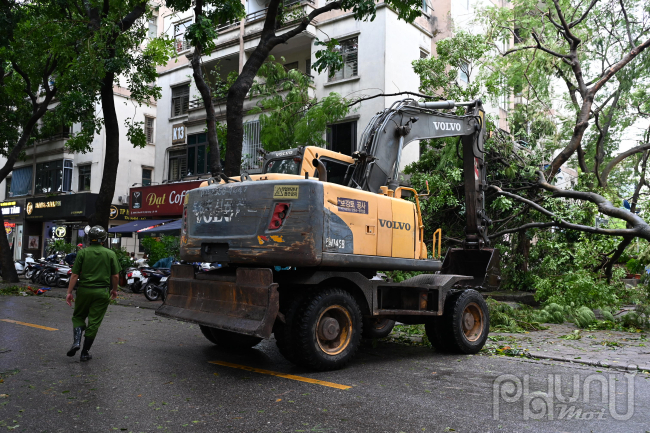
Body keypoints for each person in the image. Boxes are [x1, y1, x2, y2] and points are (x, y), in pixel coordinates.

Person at [65, 226, 120, 362]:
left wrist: (69, 292)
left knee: (78, 316)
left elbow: (75, 274)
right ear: (104, 239)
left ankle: (76, 341)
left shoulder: (83, 253)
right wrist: (114, 290)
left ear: (89, 238)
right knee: (94, 322)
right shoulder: (110, 254)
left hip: (84, 290)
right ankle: (84, 352)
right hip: (101, 292)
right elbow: (116, 276)